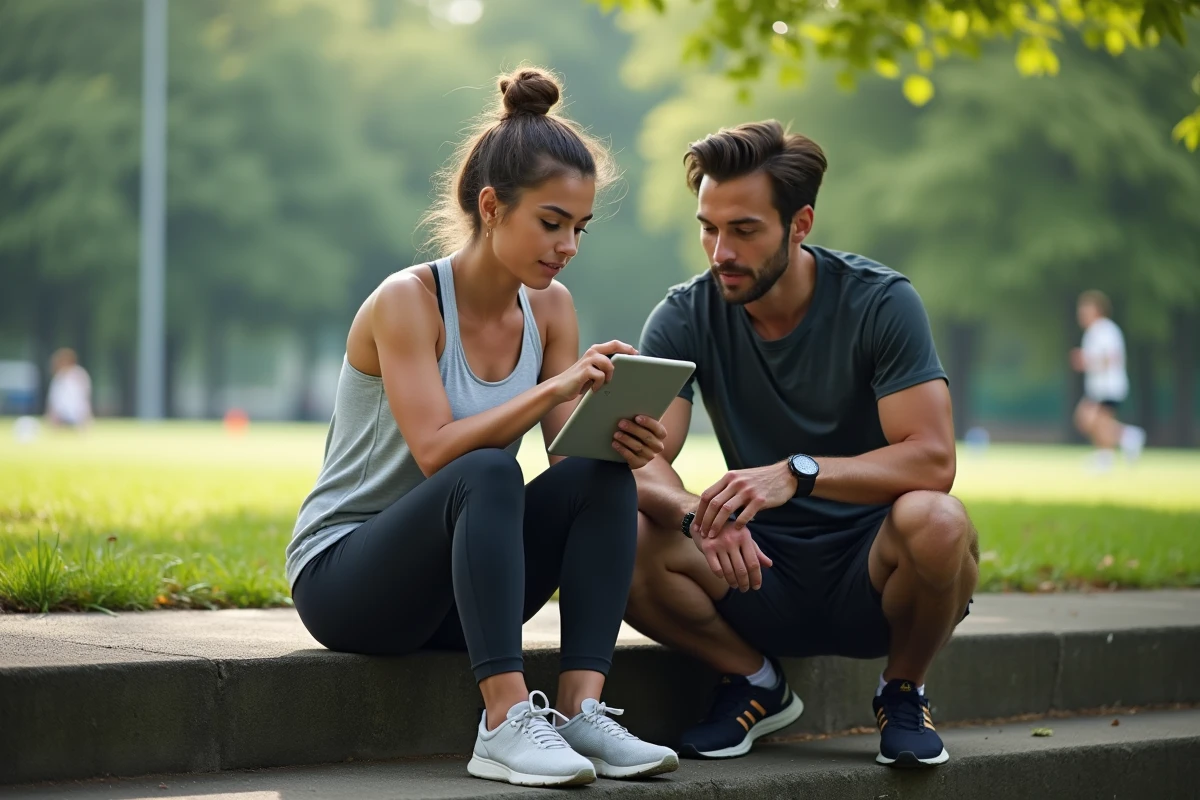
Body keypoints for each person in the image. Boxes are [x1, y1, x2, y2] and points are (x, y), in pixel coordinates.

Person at [284, 67, 678, 787]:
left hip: (455, 594)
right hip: (348, 583)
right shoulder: (407, 302)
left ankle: (581, 711)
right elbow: (437, 451)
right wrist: (558, 383)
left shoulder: (551, 309)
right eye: (551, 223)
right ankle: (501, 723)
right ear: (492, 207)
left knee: (600, 474)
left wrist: (614, 431)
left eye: (579, 228)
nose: (567, 246)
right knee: (489, 467)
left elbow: (567, 466)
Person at [625, 121, 979, 768]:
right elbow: (642, 460)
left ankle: (904, 690)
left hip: (874, 572)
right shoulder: (683, 315)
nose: (719, 251)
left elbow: (933, 459)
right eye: (708, 227)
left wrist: (797, 472)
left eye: (744, 230)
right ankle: (754, 681)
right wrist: (697, 516)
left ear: (800, 223)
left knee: (939, 521)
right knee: (618, 531)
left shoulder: (882, 303)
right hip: (753, 570)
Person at [1071, 290, 1145, 471]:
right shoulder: (1094, 332)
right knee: (1091, 422)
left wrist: (1086, 361)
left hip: (1107, 386)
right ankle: (1117, 446)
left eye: (1085, 310)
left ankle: (1117, 446)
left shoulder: (1104, 330)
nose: (1081, 315)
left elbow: (1111, 357)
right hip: (1099, 386)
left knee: (1091, 420)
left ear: (1097, 310)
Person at [45, 348, 92, 428]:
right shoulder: (58, 378)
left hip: (77, 414)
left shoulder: (79, 374)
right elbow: (54, 399)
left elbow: (84, 396)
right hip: (62, 415)